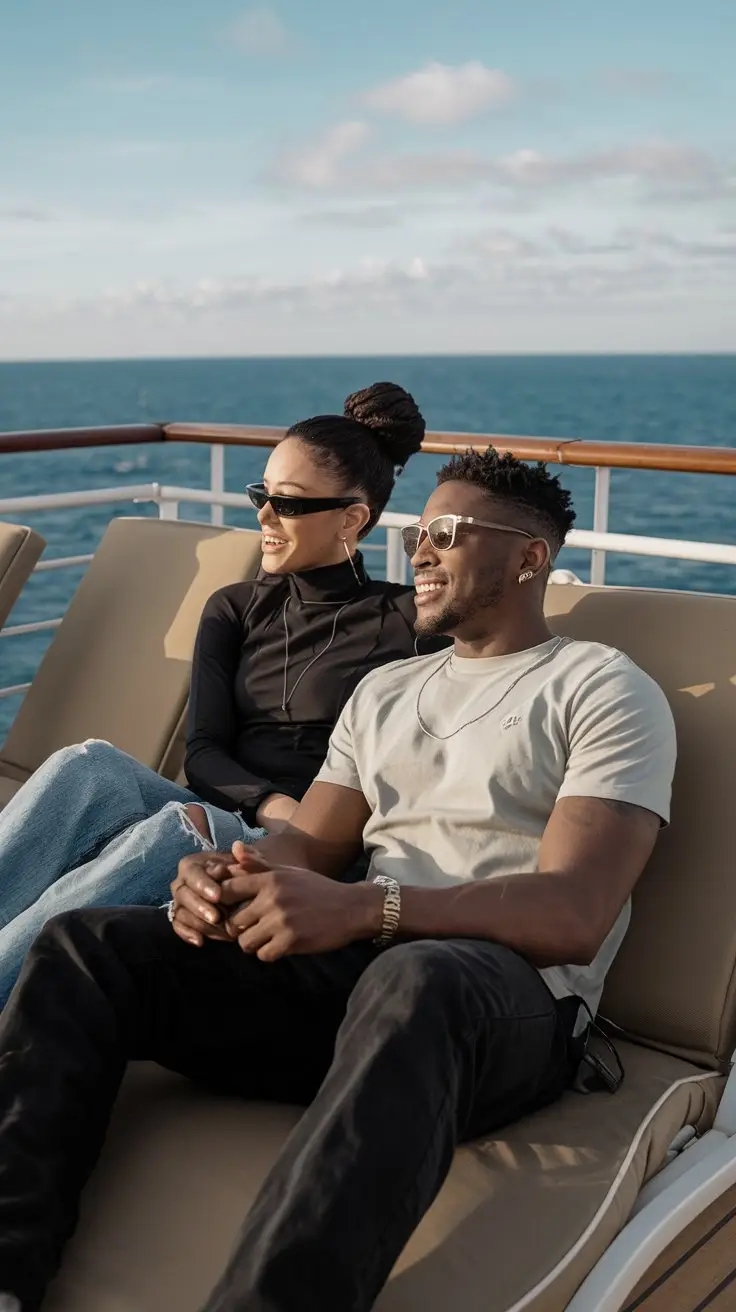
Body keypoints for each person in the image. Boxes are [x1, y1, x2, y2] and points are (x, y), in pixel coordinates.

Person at [0, 448, 677, 1312]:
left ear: (528, 558)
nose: (418, 550)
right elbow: (311, 846)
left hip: (505, 1003)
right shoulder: (387, 691)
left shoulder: (602, 688)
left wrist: (367, 908)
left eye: (445, 532)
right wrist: (226, 872)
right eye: (416, 532)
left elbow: (577, 912)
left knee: (418, 976)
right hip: (361, 980)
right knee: (88, 946)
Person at [0, 381, 440, 1009]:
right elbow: (203, 750)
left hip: (313, 847)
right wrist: (272, 806)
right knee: (87, 764)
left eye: (288, 503)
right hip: (242, 811)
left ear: (353, 519)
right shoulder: (235, 608)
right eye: (262, 495)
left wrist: (301, 826)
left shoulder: (409, 623)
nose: (264, 516)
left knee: (180, 832)